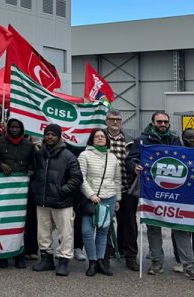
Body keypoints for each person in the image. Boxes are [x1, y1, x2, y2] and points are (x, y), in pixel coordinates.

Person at [127, 112, 194, 279]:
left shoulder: (175, 140)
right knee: (153, 228)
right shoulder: (142, 140)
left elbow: (185, 160)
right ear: (153, 123)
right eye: (159, 121)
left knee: (181, 228)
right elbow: (130, 159)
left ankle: (189, 265)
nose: (163, 124)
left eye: (165, 121)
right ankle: (156, 262)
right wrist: (135, 166)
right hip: (152, 192)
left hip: (175, 191)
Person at [32, 124, 82, 277]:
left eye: (53, 135)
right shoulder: (39, 154)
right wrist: (36, 189)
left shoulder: (68, 155)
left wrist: (61, 191)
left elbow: (77, 178)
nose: (50, 137)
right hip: (43, 201)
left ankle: (63, 261)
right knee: (43, 233)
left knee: (65, 234)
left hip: (62, 202)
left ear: (59, 137)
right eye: (47, 134)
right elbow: (34, 173)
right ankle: (46, 259)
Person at [0, 118, 36, 269]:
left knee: (22, 224)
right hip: (3, 190)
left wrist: (29, 171)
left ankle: (19, 255)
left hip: (21, 192)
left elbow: (33, 165)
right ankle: (3, 256)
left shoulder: (29, 145)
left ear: (22, 129)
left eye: (17, 127)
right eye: (12, 127)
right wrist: (1, 165)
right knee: (3, 222)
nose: (15, 129)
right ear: (8, 128)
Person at [77, 128, 121, 277]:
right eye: (97, 136)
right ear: (92, 139)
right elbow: (81, 178)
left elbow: (117, 179)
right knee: (87, 231)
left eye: (103, 136)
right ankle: (92, 261)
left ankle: (100, 261)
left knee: (103, 231)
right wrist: (91, 195)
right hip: (91, 200)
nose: (101, 138)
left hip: (110, 198)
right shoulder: (84, 155)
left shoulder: (113, 157)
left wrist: (118, 198)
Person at [171, 128, 194, 276]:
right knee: (179, 228)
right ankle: (180, 260)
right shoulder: (177, 151)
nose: (191, 140)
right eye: (188, 137)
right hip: (181, 195)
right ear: (182, 138)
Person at [103, 109, 136, 271]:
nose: (115, 122)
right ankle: (105, 255)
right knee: (104, 223)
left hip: (126, 188)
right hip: (105, 189)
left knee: (129, 224)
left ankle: (130, 256)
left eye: (118, 119)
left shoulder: (130, 141)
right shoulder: (100, 138)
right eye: (112, 119)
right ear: (106, 121)